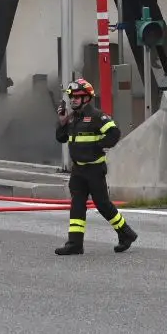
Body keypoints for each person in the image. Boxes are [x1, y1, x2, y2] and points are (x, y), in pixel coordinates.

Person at [53, 78, 136, 255]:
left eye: (78, 96)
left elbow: (114, 133)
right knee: (77, 204)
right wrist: (61, 122)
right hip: (78, 171)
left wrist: (97, 147)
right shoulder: (72, 118)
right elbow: (61, 138)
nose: (73, 100)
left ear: (87, 98)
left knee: (103, 205)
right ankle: (75, 243)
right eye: (72, 96)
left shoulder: (97, 116)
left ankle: (126, 233)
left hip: (94, 170)